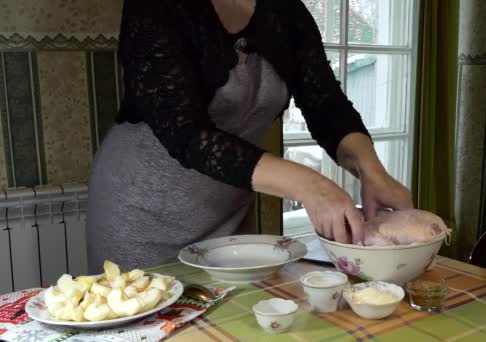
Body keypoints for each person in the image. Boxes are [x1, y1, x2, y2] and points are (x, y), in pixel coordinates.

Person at [86, 0, 412, 271]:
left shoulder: (287, 13)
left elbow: (327, 105)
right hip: (141, 218)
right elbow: (184, 133)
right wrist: (311, 186)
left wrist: (373, 173)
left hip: (226, 222)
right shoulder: (158, 5)